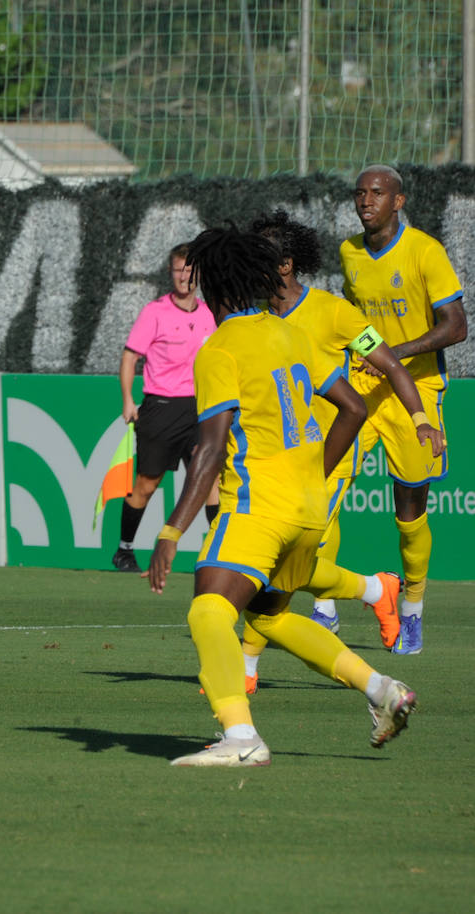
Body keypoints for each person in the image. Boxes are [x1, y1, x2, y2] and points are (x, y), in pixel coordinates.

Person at [146, 225, 416, 768]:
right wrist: (313, 473)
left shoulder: (219, 349)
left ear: (215, 285)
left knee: (209, 612)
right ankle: (382, 688)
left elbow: (211, 447)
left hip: (258, 507)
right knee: (268, 617)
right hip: (310, 507)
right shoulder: (291, 333)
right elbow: (354, 409)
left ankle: (240, 738)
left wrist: (172, 529)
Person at [233, 211, 445, 690]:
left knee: (281, 557)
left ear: (286, 264)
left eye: (260, 259)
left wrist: (420, 419)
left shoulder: (334, 312)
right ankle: (376, 590)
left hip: (330, 451)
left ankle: (246, 665)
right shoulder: (254, 317)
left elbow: (391, 365)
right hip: (275, 455)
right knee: (288, 559)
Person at [340, 165, 467, 654]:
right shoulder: (349, 252)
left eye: (377, 193)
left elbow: (455, 326)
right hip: (362, 387)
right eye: (360, 193)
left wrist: (397, 355)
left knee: (409, 507)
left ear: (399, 201)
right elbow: (352, 320)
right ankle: (325, 606)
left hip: (418, 385)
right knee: (324, 484)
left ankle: (411, 609)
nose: (366, 200)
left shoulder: (425, 251)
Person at [112, 244, 219, 573]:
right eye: (179, 270)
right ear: (170, 273)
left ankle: (220, 553)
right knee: (147, 483)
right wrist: (128, 400)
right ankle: (125, 550)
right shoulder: (155, 312)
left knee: (210, 480)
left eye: (190, 270)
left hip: (199, 409)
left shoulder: (209, 314)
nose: (184, 276)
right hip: (160, 407)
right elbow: (130, 356)